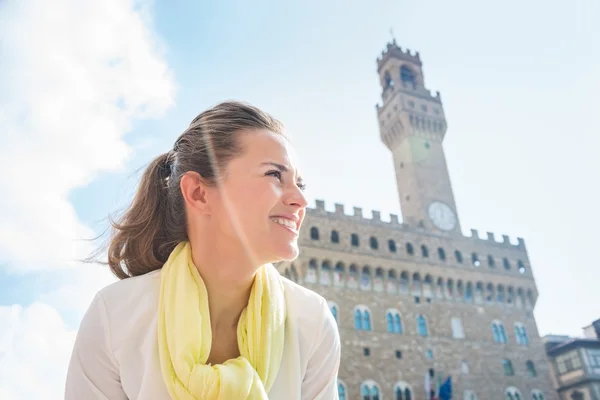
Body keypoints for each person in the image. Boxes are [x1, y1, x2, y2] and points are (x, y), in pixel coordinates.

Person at [64, 101, 341, 399]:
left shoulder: (311, 321)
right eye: (275, 175)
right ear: (198, 193)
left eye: (300, 183)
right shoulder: (116, 316)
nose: (301, 199)